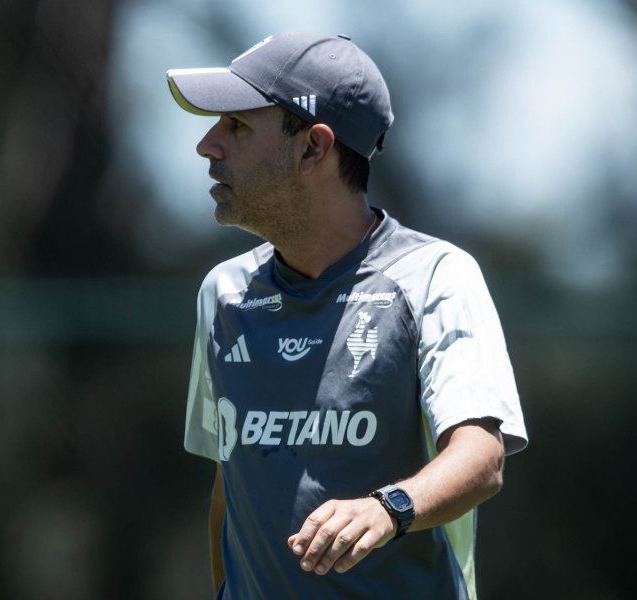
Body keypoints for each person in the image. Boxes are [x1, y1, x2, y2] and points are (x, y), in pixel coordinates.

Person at [167, 31, 528, 600]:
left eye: (236, 126)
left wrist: (389, 510)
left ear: (313, 147)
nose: (207, 146)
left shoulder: (435, 276)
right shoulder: (224, 292)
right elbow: (229, 490)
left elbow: (482, 459)